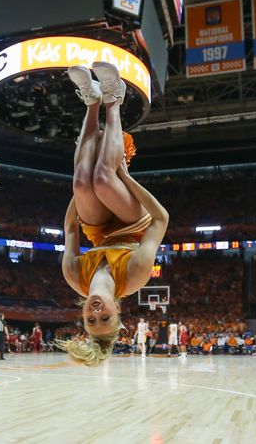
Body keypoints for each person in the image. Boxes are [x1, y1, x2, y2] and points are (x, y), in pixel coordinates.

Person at [60, 62, 169, 366]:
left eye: (91, 320)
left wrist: (80, 194)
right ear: (119, 311)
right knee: (104, 180)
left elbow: (70, 228)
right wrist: (127, 178)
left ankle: (91, 101)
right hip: (134, 223)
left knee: (83, 181)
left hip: (98, 231)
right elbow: (161, 219)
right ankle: (113, 99)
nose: (95, 312)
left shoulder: (74, 277)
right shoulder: (135, 275)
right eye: (104, 317)